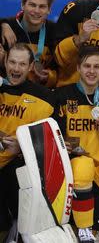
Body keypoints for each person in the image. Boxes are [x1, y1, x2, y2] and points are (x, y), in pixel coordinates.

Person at [55, 45, 99, 243]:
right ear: (78, 68)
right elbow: (52, 134)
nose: (92, 71)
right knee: (72, 232)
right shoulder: (61, 96)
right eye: (87, 66)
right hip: (70, 172)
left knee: (86, 233)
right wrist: (62, 146)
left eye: (97, 66)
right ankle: (92, 220)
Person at [0, 43, 56, 241]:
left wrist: (22, 147)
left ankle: (16, 225)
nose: (16, 69)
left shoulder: (46, 98)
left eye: (22, 64)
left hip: (19, 165)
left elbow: (52, 141)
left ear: (31, 66)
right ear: (5, 62)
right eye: (12, 62)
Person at [0, 0, 58, 87]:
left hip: (39, 94)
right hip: (7, 94)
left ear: (49, 10)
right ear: (23, 5)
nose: (36, 11)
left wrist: (49, 77)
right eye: (32, 5)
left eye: (42, 6)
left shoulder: (55, 32)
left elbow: (62, 68)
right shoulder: (6, 29)